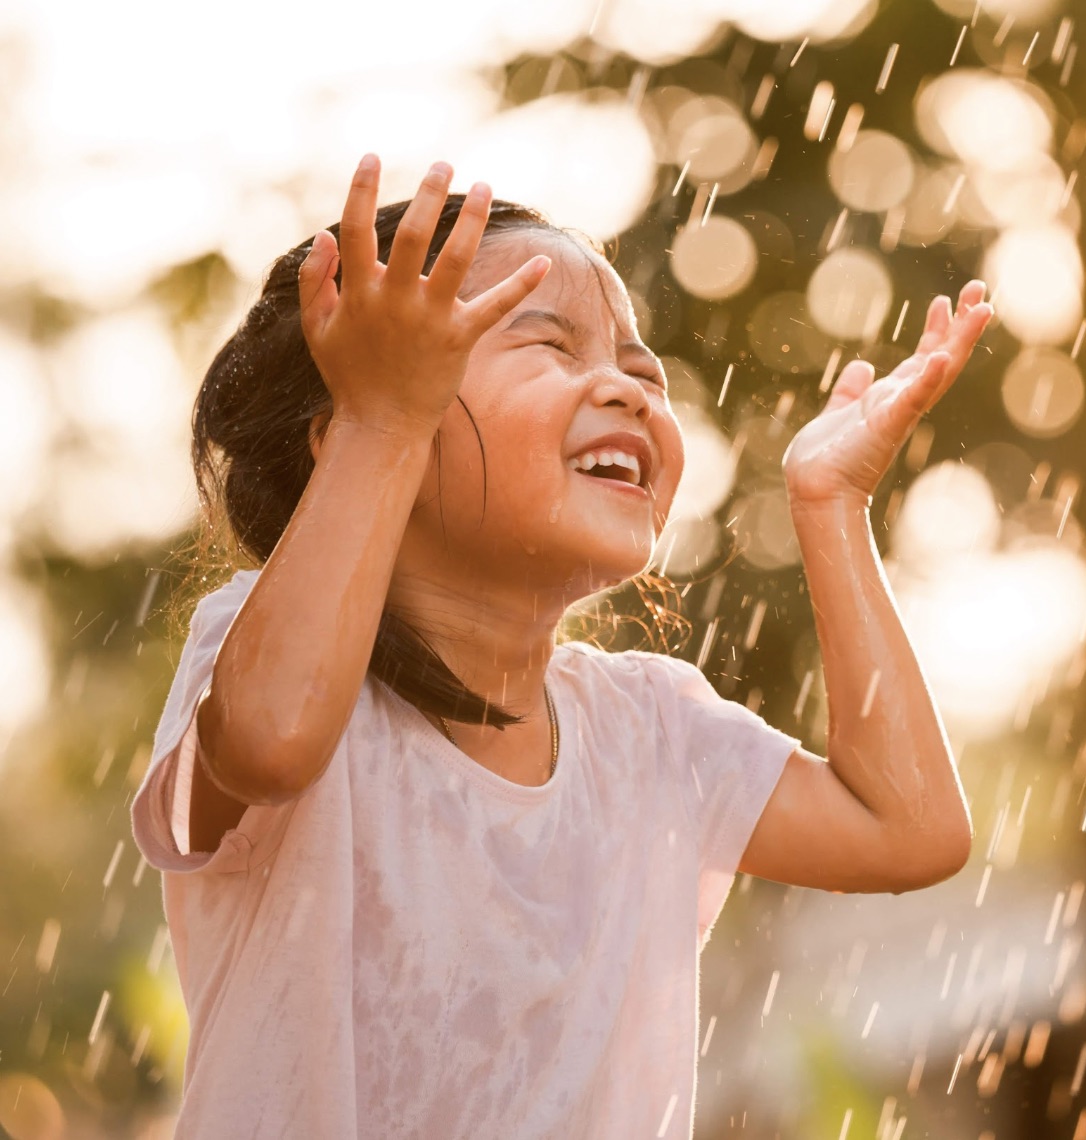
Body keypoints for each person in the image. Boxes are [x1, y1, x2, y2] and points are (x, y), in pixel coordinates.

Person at [130, 153, 993, 1138]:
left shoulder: (653, 733)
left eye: (639, 369)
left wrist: (832, 506)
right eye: (549, 348)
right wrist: (381, 419)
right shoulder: (253, 650)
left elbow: (911, 830)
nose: (628, 392)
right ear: (353, 431)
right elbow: (275, 742)